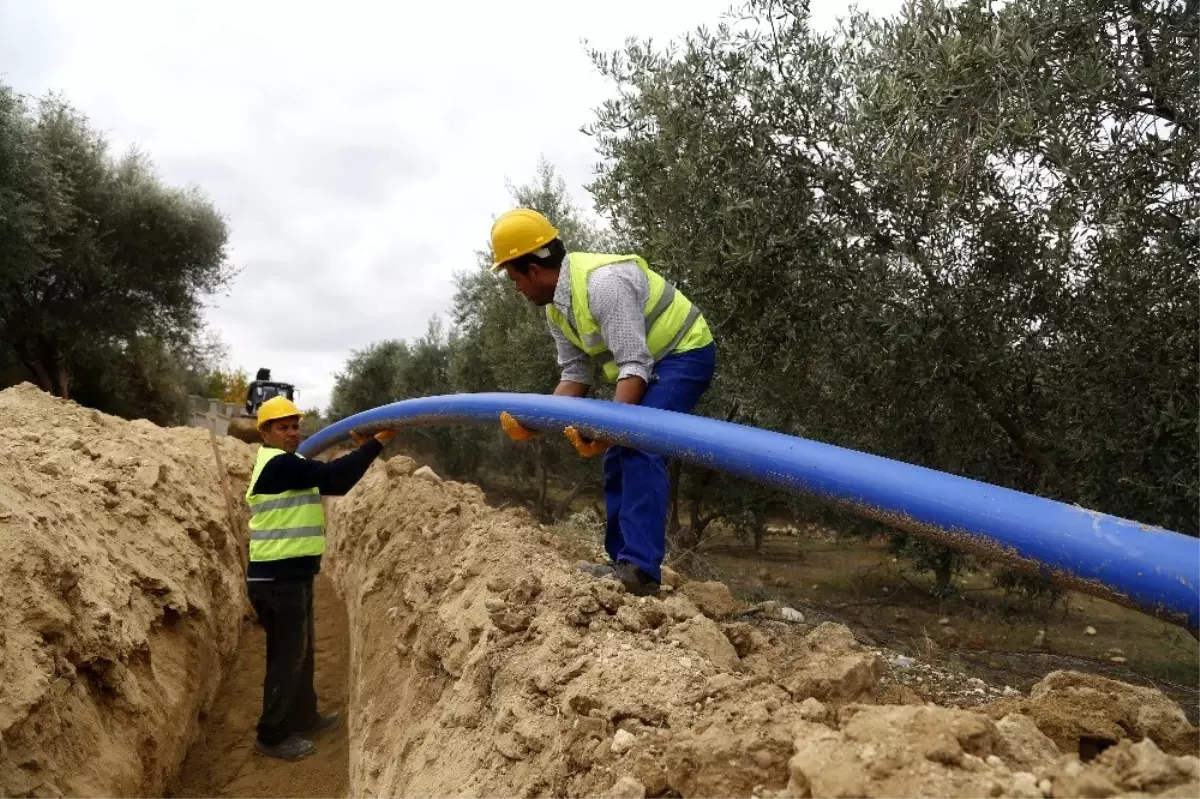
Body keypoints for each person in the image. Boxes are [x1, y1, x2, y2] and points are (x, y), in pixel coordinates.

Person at [491, 208, 716, 596]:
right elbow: (575, 376)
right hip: (647, 365)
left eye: (513, 279)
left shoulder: (603, 286)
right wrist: (535, 421)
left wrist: (612, 429)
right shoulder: (556, 311)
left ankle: (642, 574)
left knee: (640, 445)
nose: (516, 289)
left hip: (685, 353)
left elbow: (634, 365)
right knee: (616, 455)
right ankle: (622, 564)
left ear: (532, 270)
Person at [245, 396, 395, 760]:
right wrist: (377, 443)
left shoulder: (292, 462)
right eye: (283, 427)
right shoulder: (277, 465)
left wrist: (364, 449)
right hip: (277, 580)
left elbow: (333, 485)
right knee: (286, 657)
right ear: (265, 432)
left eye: (295, 426)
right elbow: (335, 477)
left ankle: (303, 716)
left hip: (292, 576)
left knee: (302, 652)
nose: (292, 432)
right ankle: (272, 734)